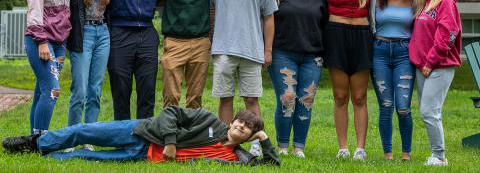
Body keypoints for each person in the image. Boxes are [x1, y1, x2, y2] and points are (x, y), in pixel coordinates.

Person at [2, 106, 280, 166]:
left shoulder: (236, 157)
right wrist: (170, 142)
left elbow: (272, 165)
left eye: (248, 128)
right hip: (142, 131)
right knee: (84, 131)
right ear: (231, 121)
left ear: (249, 137)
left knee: (86, 156)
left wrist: (265, 139)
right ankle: (34, 143)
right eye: (240, 122)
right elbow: (170, 112)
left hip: (142, 155)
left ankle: (46, 155)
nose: (241, 127)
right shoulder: (208, 120)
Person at [210, 0, 278, 156]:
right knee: (225, 97)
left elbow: (269, 18)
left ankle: (257, 141)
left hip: (251, 49)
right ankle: (226, 141)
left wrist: (267, 50)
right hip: (223, 49)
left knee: (251, 98)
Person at [268, 0, 328, 158]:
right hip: (283, 53)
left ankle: (299, 147)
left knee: (306, 100)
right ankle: (283, 146)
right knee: (288, 98)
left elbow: (326, 23)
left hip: (313, 57)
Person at [320, 0, 375, 160]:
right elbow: (316, 2)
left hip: (362, 37)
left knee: (360, 97)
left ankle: (360, 149)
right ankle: (343, 148)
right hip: (335, 35)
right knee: (340, 96)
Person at [409, 0, 461, 166]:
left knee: (429, 111)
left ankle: (439, 156)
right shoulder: (425, 2)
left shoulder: (446, 1)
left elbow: (447, 35)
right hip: (422, 66)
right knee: (428, 110)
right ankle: (435, 155)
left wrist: (430, 62)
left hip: (439, 65)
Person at [107, 0, 161, 120]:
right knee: (120, 87)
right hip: (120, 31)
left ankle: (144, 139)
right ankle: (122, 137)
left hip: (146, 33)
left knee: (147, 88)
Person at [23, 0, 71, 135]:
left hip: (59, 42)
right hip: (41, 40)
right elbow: (35, 11)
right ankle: (41, 138)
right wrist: (41, 41)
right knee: (52, 90)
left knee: (41, 91)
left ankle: (34, 138)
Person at [66, 0, 110, 152]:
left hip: (103, 34)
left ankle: (88, 138)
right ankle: (71, 137)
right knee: (80, 90)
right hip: (83, 35)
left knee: (95, 90)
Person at [369, 0, 415, 160]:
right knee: (386, 105)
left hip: (404, 53)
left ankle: (406, 153)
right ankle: (388, 153)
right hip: (379, 52)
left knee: (403, 106)